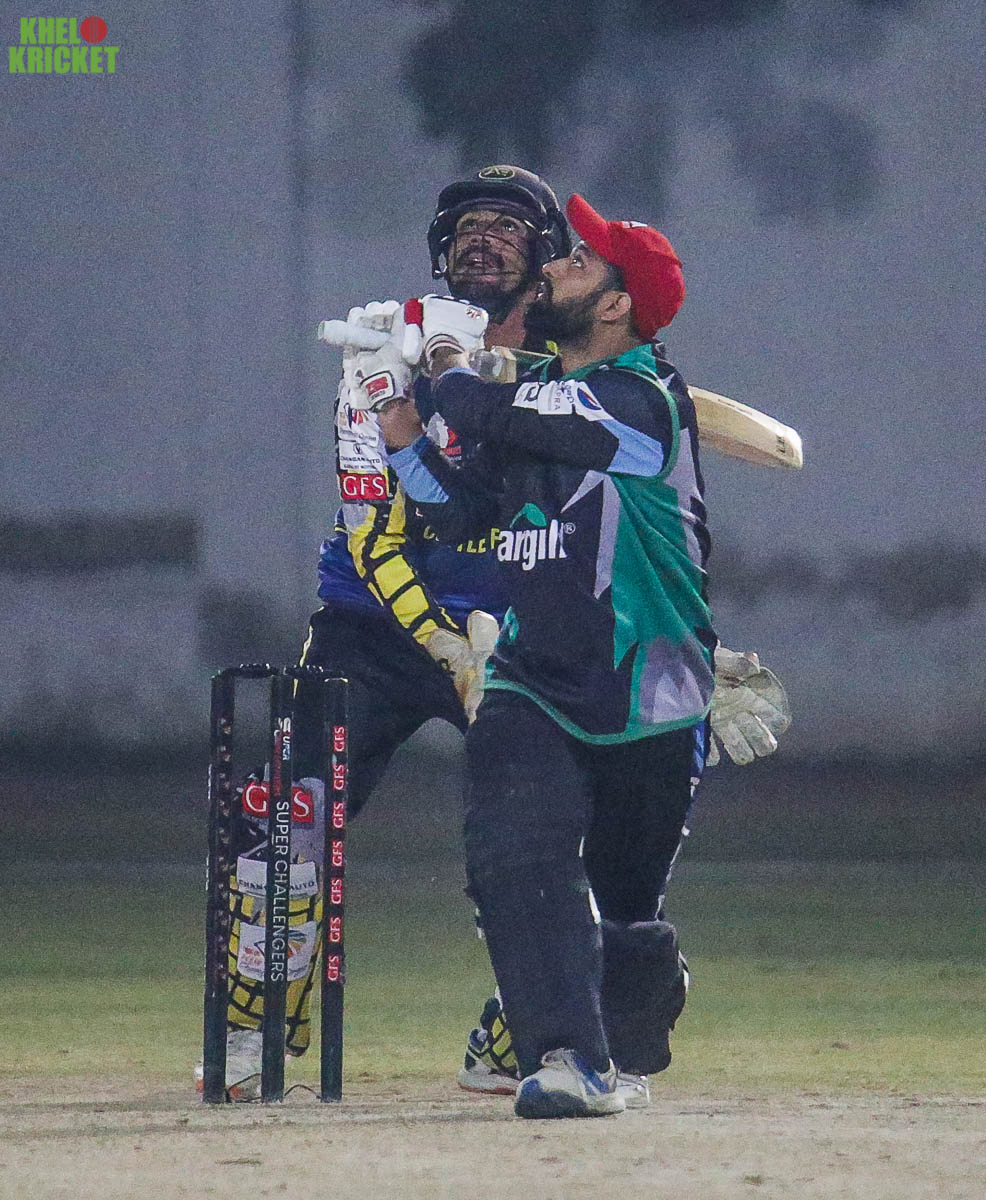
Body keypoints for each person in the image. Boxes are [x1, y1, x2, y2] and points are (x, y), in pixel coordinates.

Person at [194, 165, 573, 1100]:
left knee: (551, 840)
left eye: (506, 227)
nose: (482, 240)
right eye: (466, 228)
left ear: (545, 260)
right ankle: (254, 1037)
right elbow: (371, 536)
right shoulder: (379, 354)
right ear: (440, 254)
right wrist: (443, 644)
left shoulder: (572, 367)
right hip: (372, 629)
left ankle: (525, 1036)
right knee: (283, 822)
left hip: (517, 632)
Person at [379, 193, 724, 1118]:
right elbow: (463, 518)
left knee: (625, 909)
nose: (555, 264)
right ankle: (567, 1058)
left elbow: (486, 404)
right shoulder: (537, 410)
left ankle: (631, 1016)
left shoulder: (642, 400)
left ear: (614, 305)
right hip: (532, 676)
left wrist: (446, 361)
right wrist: (404, 442)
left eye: (578, 262)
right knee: (511, 853)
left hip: (647, 687)